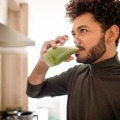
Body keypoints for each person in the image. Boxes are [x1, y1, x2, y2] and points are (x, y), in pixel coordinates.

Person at [26, 0, 120, 119]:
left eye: (83, 30)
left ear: (111, 34)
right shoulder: (74, 74)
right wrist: (43, 62)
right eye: (74, 34)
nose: (76, 40)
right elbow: (33, 91)